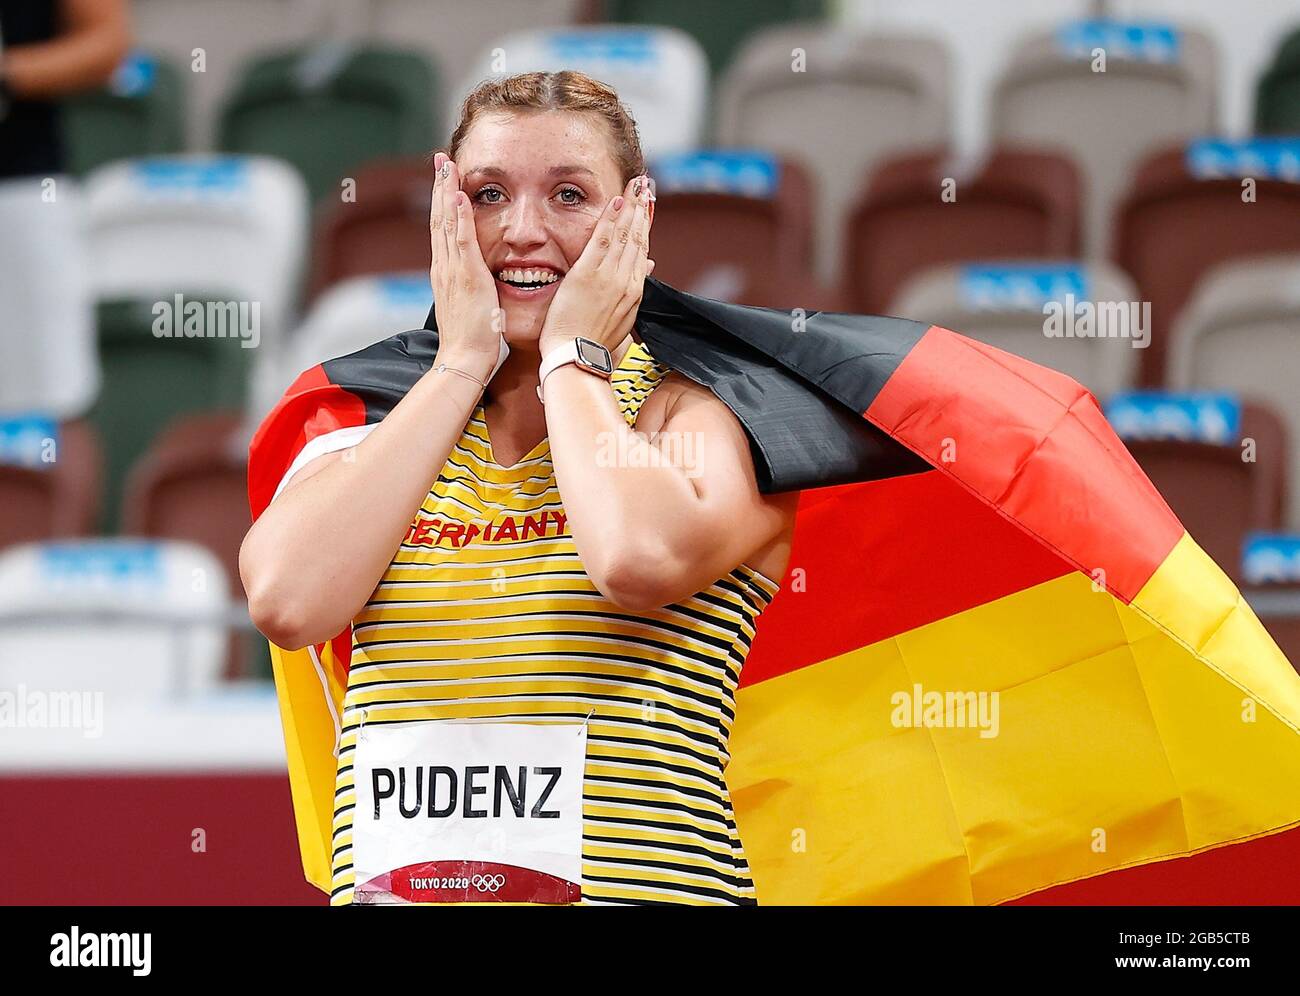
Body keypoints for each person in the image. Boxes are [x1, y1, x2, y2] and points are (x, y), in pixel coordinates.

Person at [240, 71, 799, 906]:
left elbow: (636, 558)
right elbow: (288, 603)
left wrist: (575, 356)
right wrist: (460, 362)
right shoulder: (371, 425)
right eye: (487, 194)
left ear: (635, 217)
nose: (522, 230)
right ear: (443, 212)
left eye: (569, 195)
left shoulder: (708, 414)